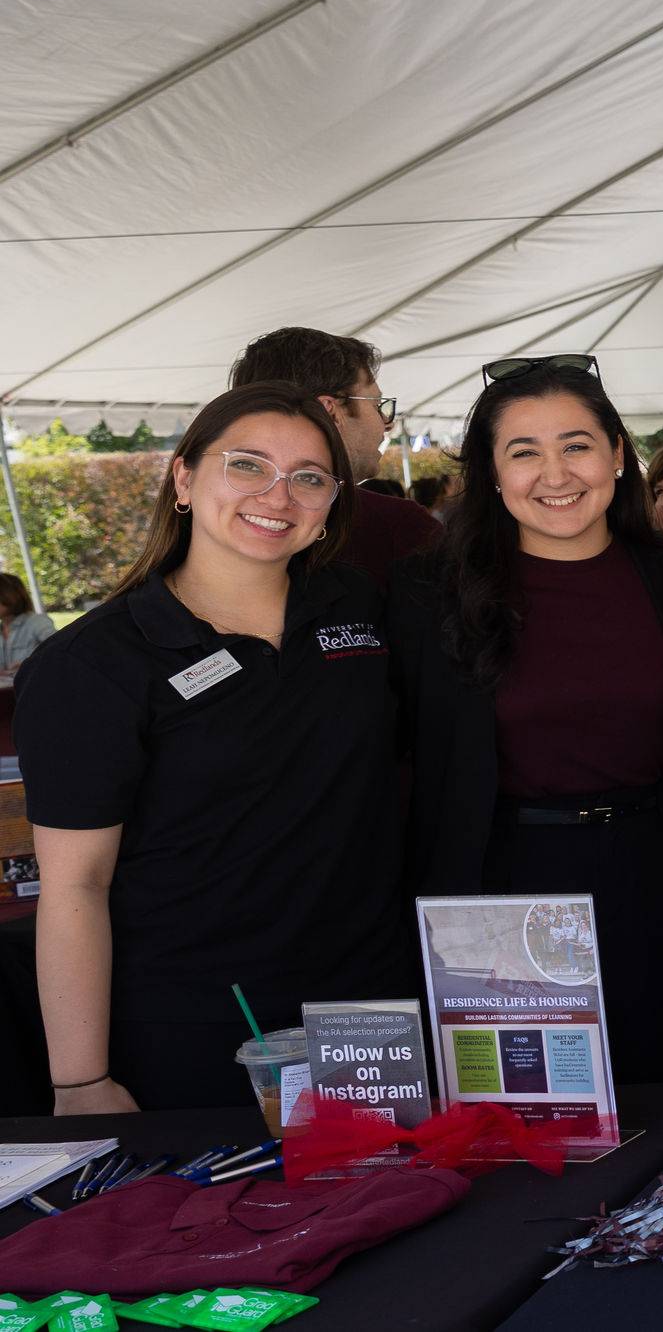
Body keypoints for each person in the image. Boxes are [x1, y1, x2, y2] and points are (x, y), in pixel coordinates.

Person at [19, 383, 411, 1112]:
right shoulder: (96, 665)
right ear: (184, 479)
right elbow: (76, 886)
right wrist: (80, 1079)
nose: (278, 494)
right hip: (200, 1030)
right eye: (247, 465)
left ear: (330, 505)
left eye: (309, 477)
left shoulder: (355, 607)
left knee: (392, 1209)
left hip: (369, 1018)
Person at [389, 358, 663, 1086]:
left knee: (661, 1101)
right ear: (492, 474)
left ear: (619, 456)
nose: (554, 473)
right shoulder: (427, 592)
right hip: (499, 882)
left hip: (648, 877)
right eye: (523, 452)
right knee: (528, 1118)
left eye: (577, 445)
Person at [228, 328, 440, 584]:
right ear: (329, 410)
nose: (386, 422)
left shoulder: (212, 520)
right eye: (377, 405)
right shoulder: (398, 528)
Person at [0, 572, 54, 673]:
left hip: (36, 686)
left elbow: (60, 650)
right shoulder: (2, 628)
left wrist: (32, 663)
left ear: (11, 596)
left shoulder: (37, 622)